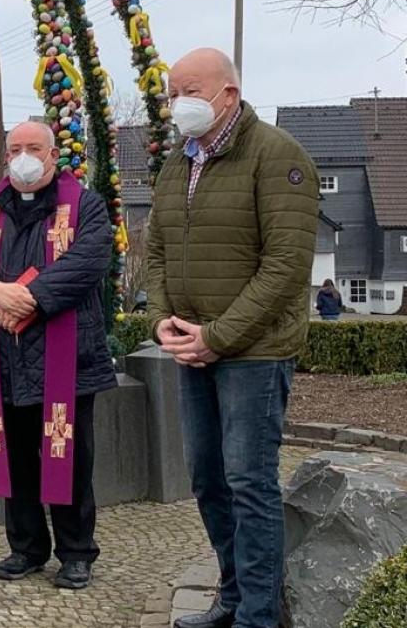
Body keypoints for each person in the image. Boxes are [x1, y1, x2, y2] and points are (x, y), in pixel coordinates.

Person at [146, 48, 319, 628]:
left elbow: (287, 266)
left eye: (189, 91)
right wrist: (163, 319)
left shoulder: (277, 155)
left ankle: (259, 617)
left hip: (254, 352)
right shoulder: (179, 160)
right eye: (172, 94)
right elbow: (158, 250)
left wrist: (219, 336)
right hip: (191, 348)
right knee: (208, 479)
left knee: (249, 483)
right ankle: (234, 595)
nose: (178, 104)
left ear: (228, 92)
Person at [0, 120, 116, 590]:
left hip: (66, 355)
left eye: (33, 148)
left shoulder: (85, 205)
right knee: (16, 456)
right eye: (15, 148)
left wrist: (33, 297)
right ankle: (25, 547)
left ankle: (76, 552)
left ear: (52, 154)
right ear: (6, 157)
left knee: (71, 456)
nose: (23, 156)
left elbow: (88, 260)